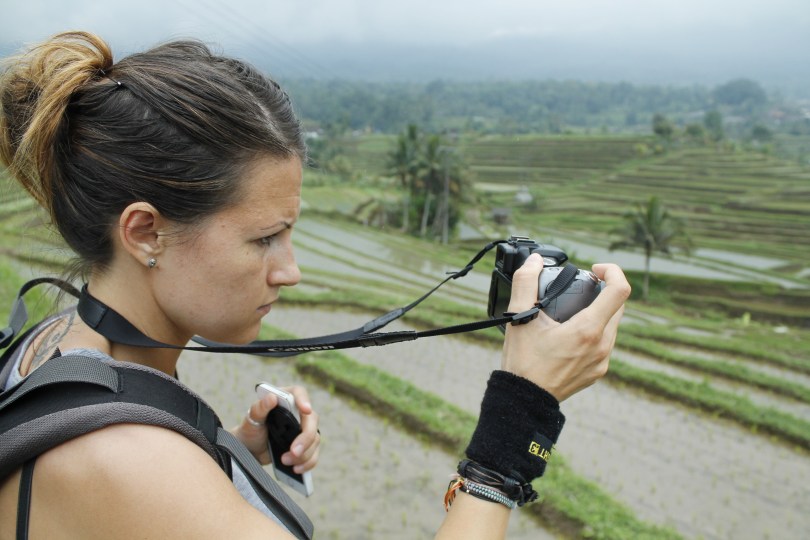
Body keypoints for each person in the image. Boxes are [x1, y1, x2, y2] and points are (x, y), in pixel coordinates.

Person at [0, 31, 630, 539]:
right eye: (263, 239)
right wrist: (512, 433)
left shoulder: (54, 343)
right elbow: (135, 483)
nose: (289, 269)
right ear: (144, 233)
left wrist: (228, 455)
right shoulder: (132, 462)